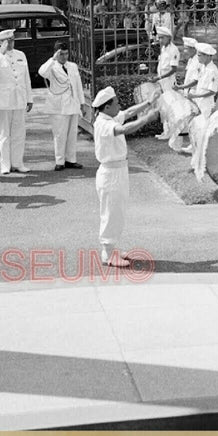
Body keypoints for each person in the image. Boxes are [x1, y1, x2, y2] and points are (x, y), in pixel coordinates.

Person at [92, 86, 158, 267]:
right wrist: (147, 118)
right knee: (111, 212)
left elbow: (128, 112)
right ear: (107, 107)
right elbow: (124, 129)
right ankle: (107, 254)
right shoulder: (104, 123)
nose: (119, 106)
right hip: (110, 173)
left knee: (118, 211)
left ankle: (112, 249)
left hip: (118, 171)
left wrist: (149, 102)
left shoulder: (108, 117)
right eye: (116, 103)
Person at [0, 29, 33, 174]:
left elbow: (26, 78)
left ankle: (17, 163)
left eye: (12, 40)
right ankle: (5, 165)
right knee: (4, 134)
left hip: (19, 98)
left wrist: (29, 98)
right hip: (3, 100)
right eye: (7, 41)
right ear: (0, 42)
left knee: (19, 133)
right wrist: (1, 54)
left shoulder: (21, 55)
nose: (11, 43)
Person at [38, 41, 85, 170]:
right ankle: (60, 161)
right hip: (58, 106)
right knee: (59, 134)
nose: (64, 57)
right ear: (56, 53)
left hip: (72, 104)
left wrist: (82, 103)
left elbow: (78, 85)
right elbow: (42, 72)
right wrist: (53, 59)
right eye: (61, 54)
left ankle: (71, 159)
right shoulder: (52, 66)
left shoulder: (72, 66)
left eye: (66, 54)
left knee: (72, 134)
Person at [152, 26, 180, 141]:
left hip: (168, 82)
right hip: (161, 81)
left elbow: (173, 69)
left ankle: (171, 132)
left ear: (168, 38)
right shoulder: (164, 49)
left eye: (162, 38)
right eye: (159, 38)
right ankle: (165, 131)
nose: (160, 40)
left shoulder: (173, 50)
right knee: (163, 107)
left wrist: (160, 77)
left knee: (169, 107)